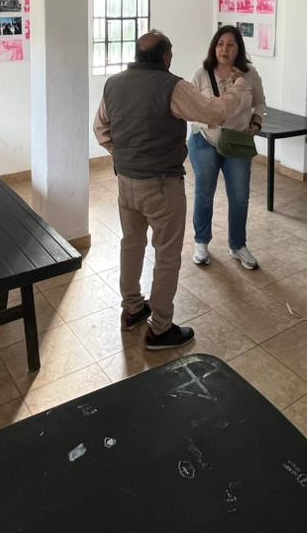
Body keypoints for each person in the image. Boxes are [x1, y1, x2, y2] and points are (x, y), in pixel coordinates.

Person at [94, 31, 251, 350]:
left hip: (126, 182)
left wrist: (123, 155)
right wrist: (237, 88)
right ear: (166, 58)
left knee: (131, 244)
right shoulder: (173, 86)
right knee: (166, 254)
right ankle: (161, 328)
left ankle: (132, 309)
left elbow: (101, 129)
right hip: (161, 185)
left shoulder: (113, 84)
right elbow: (214, 113)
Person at [187, 26, 267, 269]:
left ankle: (238, 245)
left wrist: (256, 122)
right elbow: (191, 108)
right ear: (214, 47)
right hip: (205, 140)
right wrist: (211, 119)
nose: (225, 49)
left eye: (231, 45)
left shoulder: (249, 74)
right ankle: (201, 242)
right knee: (204, 193)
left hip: (237, 142)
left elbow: (260, 102)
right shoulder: (201, 74)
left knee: (239, 196)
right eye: (220, 44)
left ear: (238, 49)